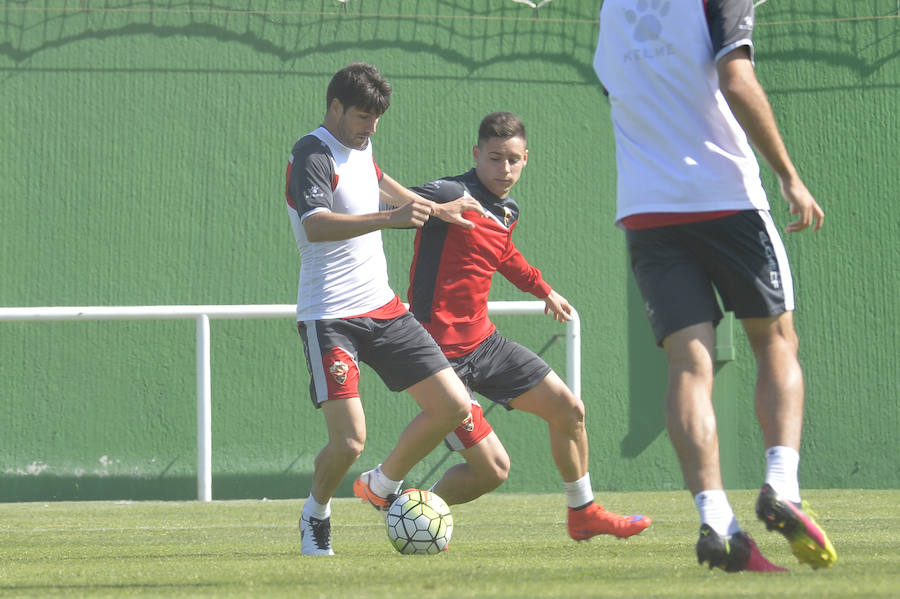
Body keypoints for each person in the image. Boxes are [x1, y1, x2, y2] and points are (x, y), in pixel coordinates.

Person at [593, 0, 836, 572]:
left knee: (688, 366)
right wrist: (790, 177)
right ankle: (782, 485)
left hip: (647, 211)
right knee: (776, 341)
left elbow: (619, 89)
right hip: (725, 197)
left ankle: (716, 521)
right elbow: (735, 78)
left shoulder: (611, 9)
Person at [355, 111, 652, 541]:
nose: (504, 169)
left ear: (526, 158)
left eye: (513, 159)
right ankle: (384, 489)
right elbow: (384, 199)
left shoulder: (507, 210)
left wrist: (544, 290)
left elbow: (504, 255)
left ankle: (582, 512)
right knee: (494, 469)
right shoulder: (451, 192)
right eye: (494, 158)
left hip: (485, 344)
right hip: (438, 357)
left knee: (569, 411)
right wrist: (435, 208)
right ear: (476, 155)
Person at [286, 62, 485, 556]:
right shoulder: (310, 152)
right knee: (349, 441)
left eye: (377, 118)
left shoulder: (360, 144)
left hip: (384, 308)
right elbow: (315, 224)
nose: (371, 127)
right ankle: (316, 514)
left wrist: (438, 210)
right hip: (330, 317)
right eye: (362, 116)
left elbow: (375, 177)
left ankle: (381, 483)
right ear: (334, 107)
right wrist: (392, 220)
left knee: (454, 404)